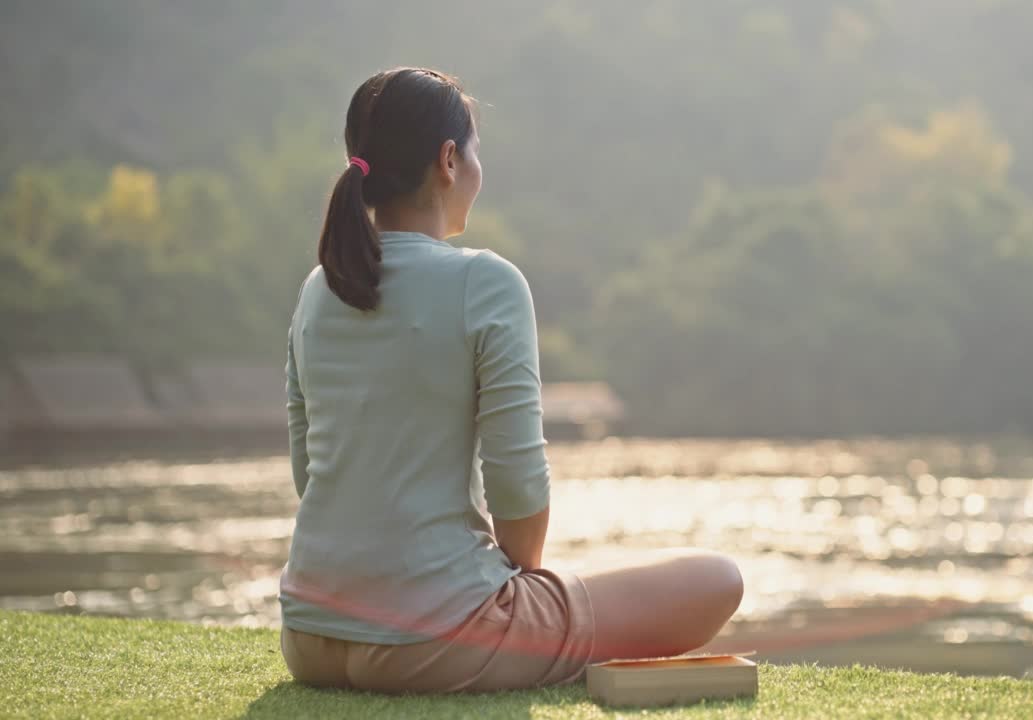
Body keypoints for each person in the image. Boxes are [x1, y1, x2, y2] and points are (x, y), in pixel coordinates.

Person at [278, 66, 743, 694]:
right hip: (439, 641)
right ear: (448, 160)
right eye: (474, 149)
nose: (477, 166)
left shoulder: (317, 289)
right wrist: (518, 593)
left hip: (309, 637)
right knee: (718, 579)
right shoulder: (486, 283)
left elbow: (312, 476)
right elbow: (517, 491)